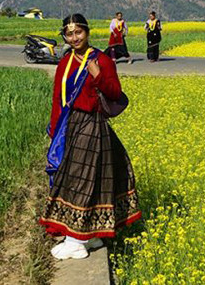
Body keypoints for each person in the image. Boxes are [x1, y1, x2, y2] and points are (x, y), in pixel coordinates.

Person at [40, 14, 141, 260]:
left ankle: (76, 240)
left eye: (78, 33)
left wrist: (97, 75)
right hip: (70, 126)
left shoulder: (102, 60)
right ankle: (88, 236)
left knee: (80, 180)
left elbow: (115, 93)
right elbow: (57, 98)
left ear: (87, 32)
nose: (74, 38)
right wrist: (55, 132)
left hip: (91, 127)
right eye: (69, 34)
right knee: (79, 179)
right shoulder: (65, 62)